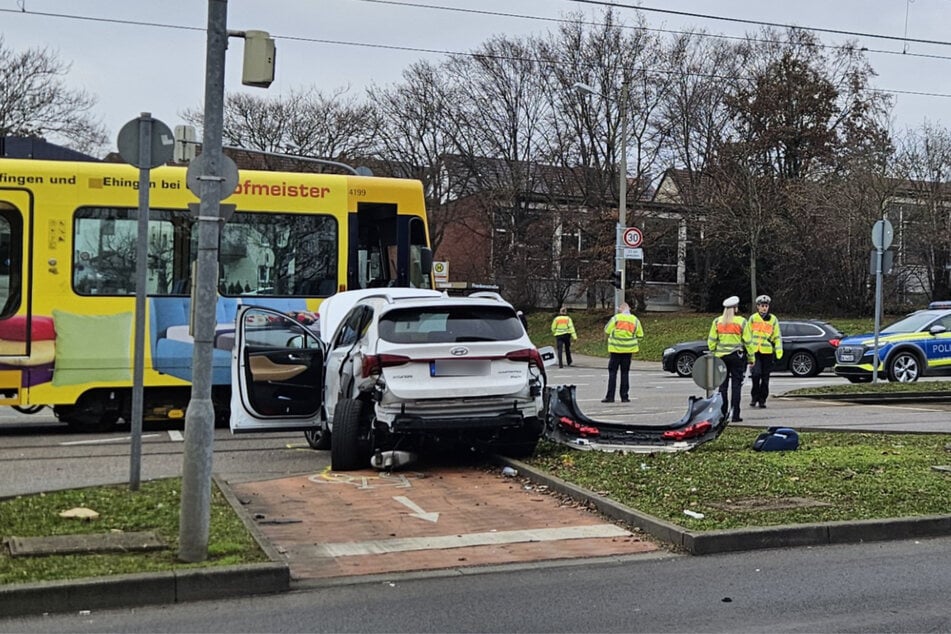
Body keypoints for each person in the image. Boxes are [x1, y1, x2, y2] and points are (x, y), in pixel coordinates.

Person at [708, 295, 751, 422]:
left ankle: (722, 414)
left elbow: (711, 341)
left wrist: (714, 352)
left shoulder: (717, 322)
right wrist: (751, 357)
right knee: (736, 386)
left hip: (721, 358)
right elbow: (748, 342)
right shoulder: (741, 322)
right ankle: (735, 414)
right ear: (735, 308)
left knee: (723, 387)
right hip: (736, 357)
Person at [745, 294, 783, 409]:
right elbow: (747, 334)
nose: (764, 308)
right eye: (762, 306)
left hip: (767, 352)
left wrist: (778, 350)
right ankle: (754, 397)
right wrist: (747, 349)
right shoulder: (753, 318)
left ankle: (762, 400)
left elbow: (777, 336)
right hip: (755, 352)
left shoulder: (773, 319)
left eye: (766, 306)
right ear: (758, 307)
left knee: (765, 377)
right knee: (756, 375)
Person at [601, 302, 644, 403]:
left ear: (621, 309)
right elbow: (640, 335)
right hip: (628, 350)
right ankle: (624, 397)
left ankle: (610, 396)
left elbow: (607, 330)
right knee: (625, 373)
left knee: (612, 373)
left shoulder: (616, 318)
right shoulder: (635, 320)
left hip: (615, 349)